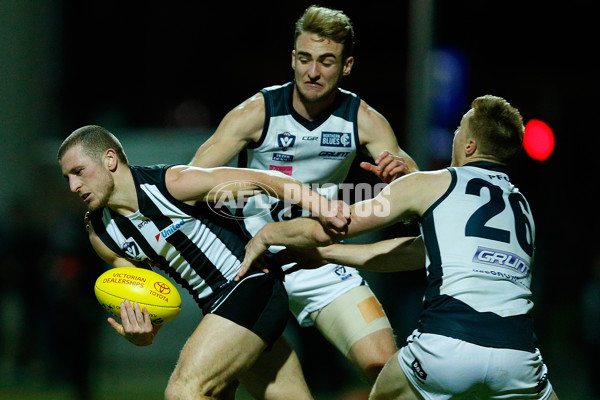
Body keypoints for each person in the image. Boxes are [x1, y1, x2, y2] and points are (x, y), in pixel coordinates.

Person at [241, 95, 559, 399]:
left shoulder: (429, 183)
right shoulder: (522, 206)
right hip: (518, 357)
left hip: (445, 343)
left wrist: (270, 233)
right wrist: (327, 257)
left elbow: (337, 225)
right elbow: (420, 250)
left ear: (470, 145)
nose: (455, 135)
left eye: (459, 129)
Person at [189, 4, 418, 385]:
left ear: (346, 66)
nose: (313, 72)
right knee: (212, 386)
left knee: (387, 369)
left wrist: (403, 172)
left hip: (321, 261)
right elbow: (191, 181)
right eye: (306, 59)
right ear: (293, 59)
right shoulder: (256, 112)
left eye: (327, 62)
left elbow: (416, 191)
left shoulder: (363, 119)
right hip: (253, 266)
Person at [57, 125, 351, 399]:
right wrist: (143, 332)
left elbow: (266, 180)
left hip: (250, 286)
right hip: (219, 310)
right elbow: (146, 296)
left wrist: (322, 206)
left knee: (184, 391)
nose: (72, 186)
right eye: (67, 177)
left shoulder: (172, 183)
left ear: (110, 159)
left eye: (79, 171)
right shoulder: (102, 234)